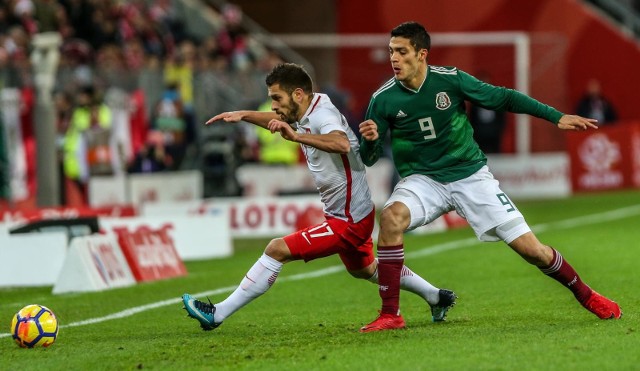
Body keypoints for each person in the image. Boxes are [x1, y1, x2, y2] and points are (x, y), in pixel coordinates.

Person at [358, 21, 622, 333]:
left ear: (422, 54)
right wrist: (371, 140)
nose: (394, 59)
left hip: (470, 175)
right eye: (391, 52)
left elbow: (505, 98)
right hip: (423, 180)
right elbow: (369, 158)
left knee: (532, 250)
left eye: (402, 52)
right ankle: (391, 314)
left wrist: (556, 117)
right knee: (390, 219)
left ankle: (586, 294)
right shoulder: (383, 98)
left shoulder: (451, 80)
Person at [181, 63, 456, 331]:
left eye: (277, 98)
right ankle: (436, 296)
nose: (273, 106)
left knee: (277, 249)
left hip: (347, 220)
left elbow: (340, 143)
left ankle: (217, 313)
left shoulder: (323, 114)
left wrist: (297, 137)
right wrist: (243, 114)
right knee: (366, 269)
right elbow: (281, 121)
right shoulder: (306, 109)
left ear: (297, 94)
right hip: (350, 213)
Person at [468, 72, 507, 153]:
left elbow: (501, 119)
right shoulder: (473, 102)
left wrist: (496, 130)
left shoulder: (497, 100)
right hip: (479, 136)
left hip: (494, 136)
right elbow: (472, 119)